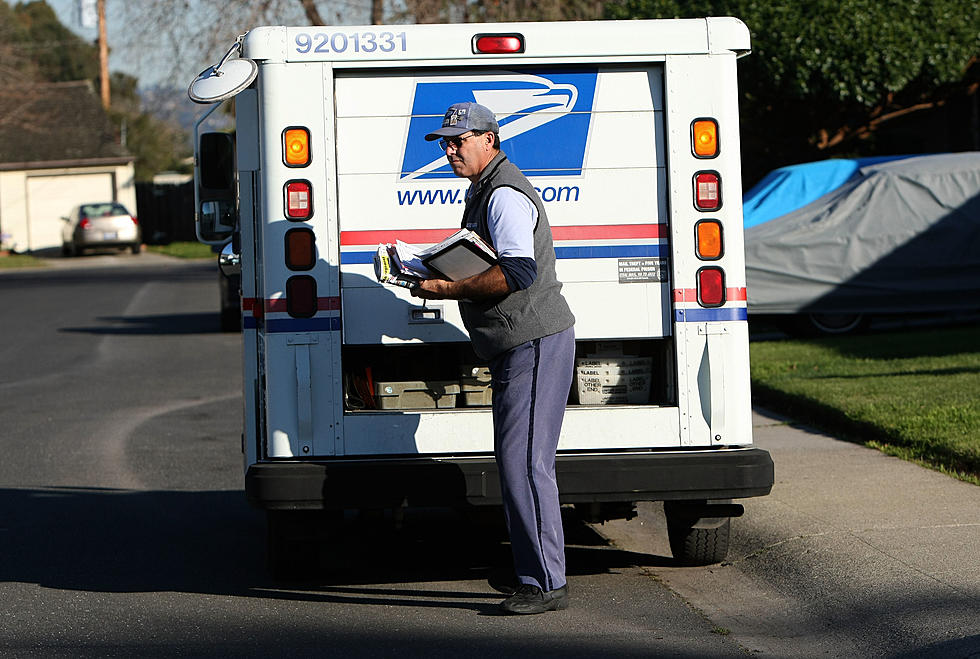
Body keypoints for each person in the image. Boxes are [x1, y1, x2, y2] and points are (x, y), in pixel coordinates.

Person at [415, 102, 576, 615]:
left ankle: (545, 583)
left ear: (489, 138)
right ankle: (538, 576)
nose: (449, 149)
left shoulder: (504, 193)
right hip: (521, 343)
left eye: (457, 141)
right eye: (445, 142)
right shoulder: (486, 189)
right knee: (520, 461)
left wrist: (448, 287)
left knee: (523, 463)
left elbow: (519, 273)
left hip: (534, 340)